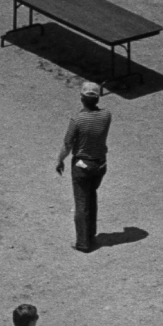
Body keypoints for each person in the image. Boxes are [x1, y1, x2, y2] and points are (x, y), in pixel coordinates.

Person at [56, 81, 112, 251]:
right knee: (91, 197)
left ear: (81, 97)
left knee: (81, 203)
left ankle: (83, 242)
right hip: (100, 164)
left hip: (82, 165)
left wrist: (60, 160)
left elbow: (68, 144)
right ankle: (91, 234)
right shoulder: (106, 115)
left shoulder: (78, 119)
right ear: (98, 98)